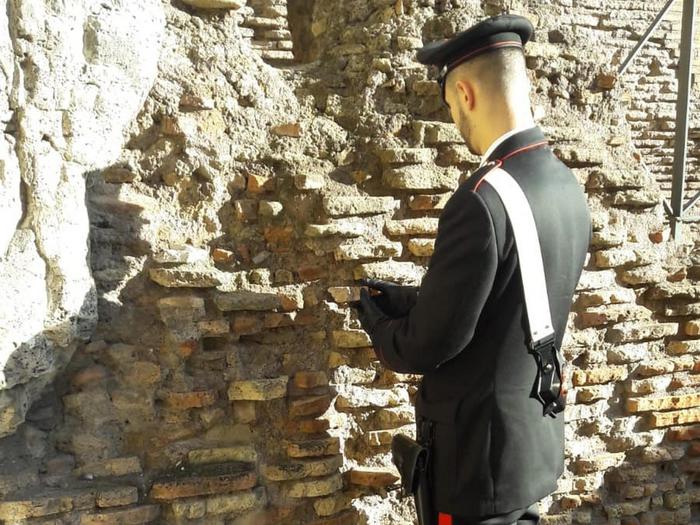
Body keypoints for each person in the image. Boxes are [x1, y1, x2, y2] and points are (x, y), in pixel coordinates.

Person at [353, 14, 592, 525]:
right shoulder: (566, 186)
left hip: (473, 467)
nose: (455, 122)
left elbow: (429, 346)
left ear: (465, 92)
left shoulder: (482, 201)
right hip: (528, 446)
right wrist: (411, 301)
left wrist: (378, 323)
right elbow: (512, 302)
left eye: (450, 107)